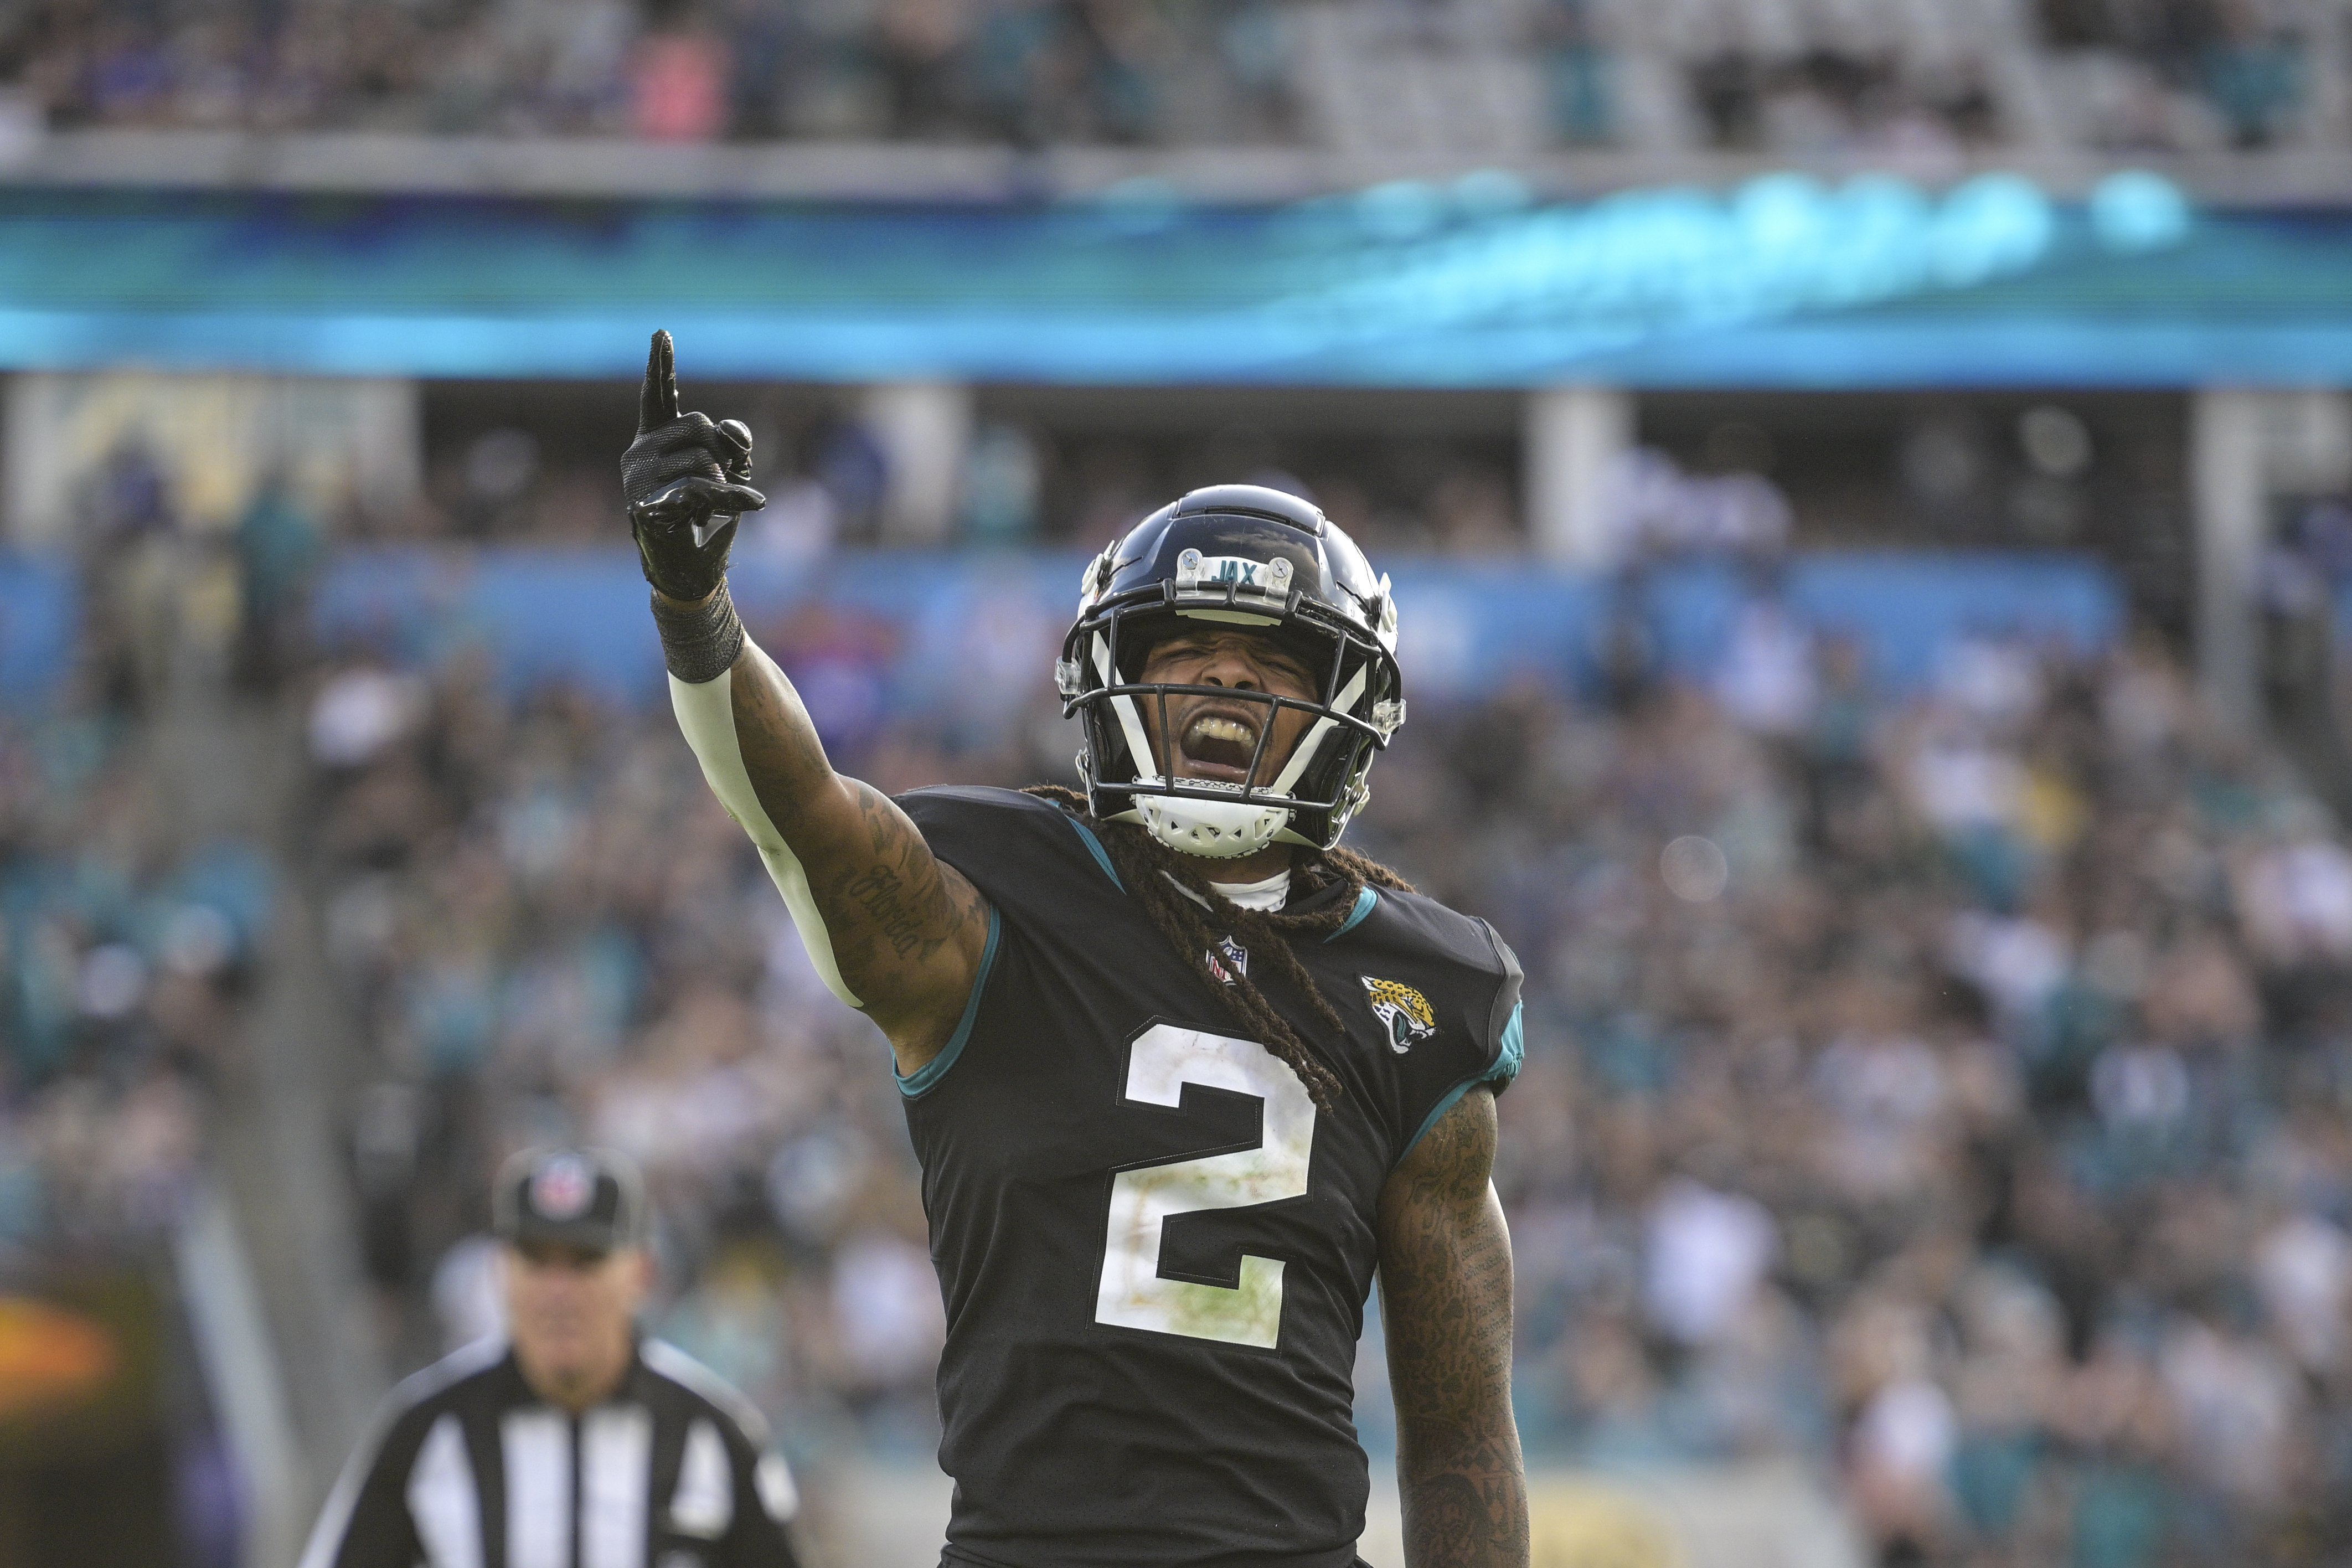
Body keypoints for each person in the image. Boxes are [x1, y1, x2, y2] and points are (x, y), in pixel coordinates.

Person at [623, 332, 1528, 1568]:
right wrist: (697, 610)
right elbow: (809, 821)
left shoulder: (1426, 986)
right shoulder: (1008, 895)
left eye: (1273, 659)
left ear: (1348, 710)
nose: (1227, 679)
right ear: (1114, 681)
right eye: (1185, 650)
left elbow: (1463, 1432)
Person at [299, 1146, 803, 1568]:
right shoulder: (425, 1429)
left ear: (640, 1275)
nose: (558, 1292)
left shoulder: (715, 1433)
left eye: (585, 1262)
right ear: (501, 1271)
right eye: (537, 1261)